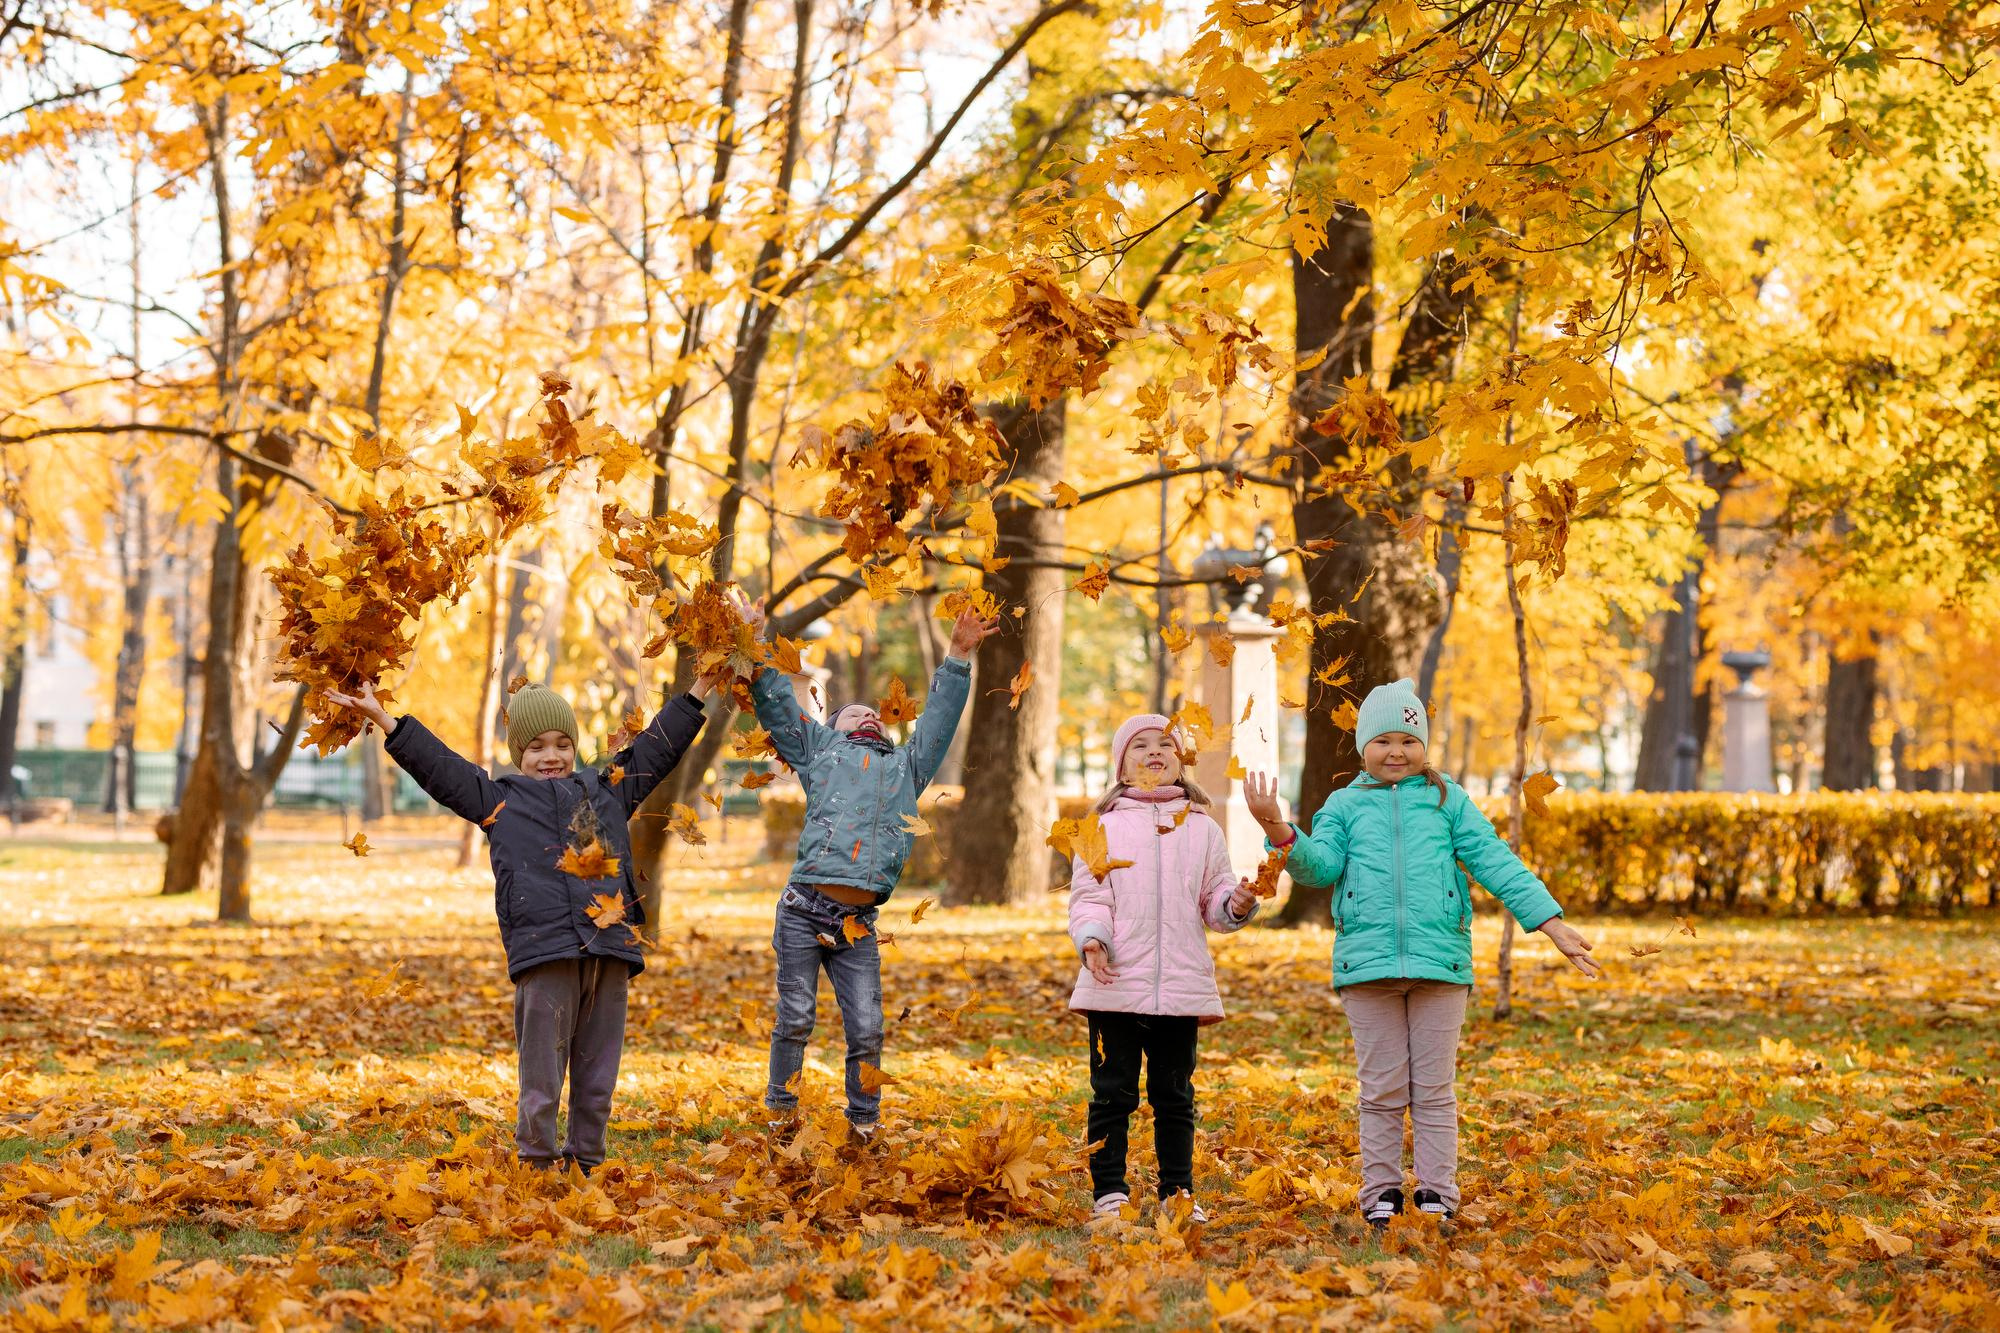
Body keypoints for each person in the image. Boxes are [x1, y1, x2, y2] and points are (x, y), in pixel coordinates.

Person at [1243, 678, 1600, 1229]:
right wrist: (1277, 827)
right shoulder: (1344, 805)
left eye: (1408, 741)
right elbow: (1320, 868)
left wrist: (1550, 923)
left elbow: (1495, 862)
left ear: (1424, 746)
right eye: (1383, 741)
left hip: (1441, 965)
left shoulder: (1447, 800)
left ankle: (1436, 1191)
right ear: (1363, 746)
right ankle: (1381, 1191)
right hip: (1368, 967)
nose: (1396, 752)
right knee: (1382, 1089)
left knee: (1433, 1090)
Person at [326, 674, 713, 1173]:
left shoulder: (607, 791)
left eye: (562, 744)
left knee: (598, 1074)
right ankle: (536, 1162)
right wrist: (385, 719)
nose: (551, 756)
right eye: (536, 747)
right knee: (542, 1075)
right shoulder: (498, 802)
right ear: (518, 754)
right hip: (545, 954)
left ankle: (586, 1161)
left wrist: (700, 688)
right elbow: (440, 767)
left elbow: (658, 748)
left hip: (610, 952)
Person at [736, 594, 997, 1137]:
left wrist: (957, 657)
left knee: (867, 1029)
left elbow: (939, 723)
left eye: (875, 714)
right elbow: (777, 705)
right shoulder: (819, 751)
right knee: (796, 1018)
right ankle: (781, 1113)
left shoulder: (906, 767)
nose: (870, 714)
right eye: (856, 712)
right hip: (804, 911)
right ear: (833, 727)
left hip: (858, 925)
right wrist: (755, 643)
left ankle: (864, 1122)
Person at [1068, 715, 1258, 1222]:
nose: (1155, 751)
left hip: (1181, 983)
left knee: (1175, 1095)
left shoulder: (1203, 828)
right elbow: (1090, 897)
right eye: (1141, 745)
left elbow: (1214, 897)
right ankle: (1110, 1192)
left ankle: (1178, 1193)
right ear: (1121, 767)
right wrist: (1093, 939)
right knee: (1113, 1092)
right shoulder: (1100, 828)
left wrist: (1235, 904)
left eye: (1166, 744)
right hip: (1115, 982)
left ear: (1180, 760)